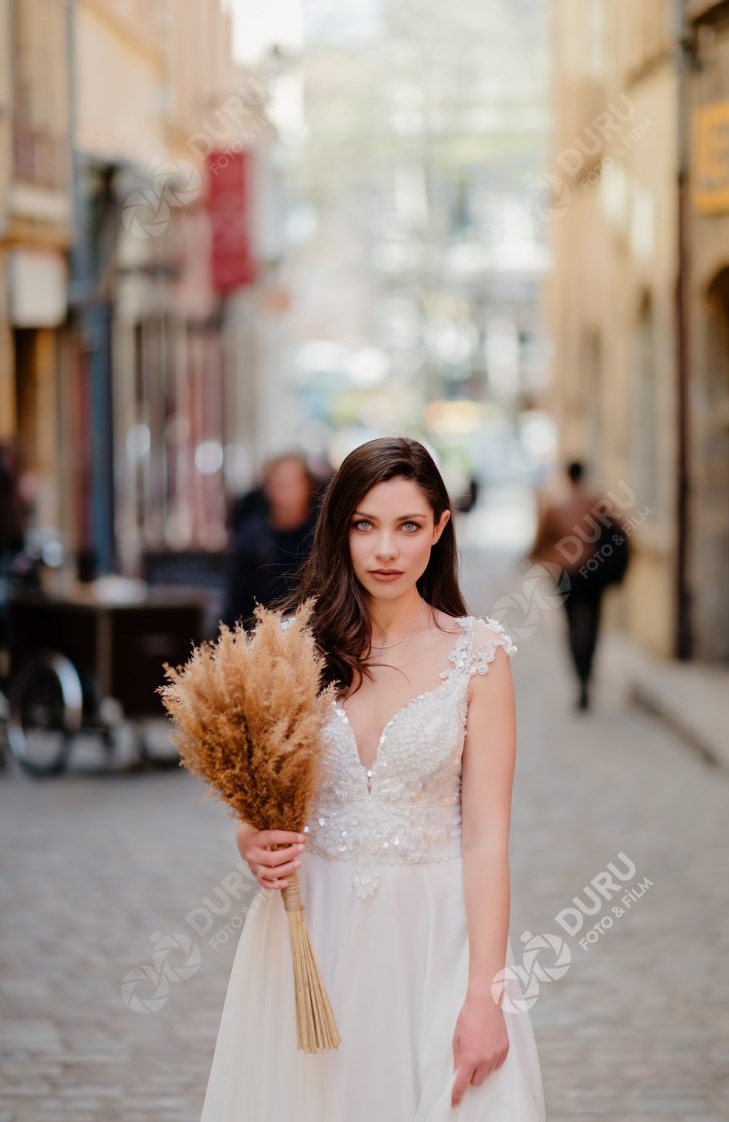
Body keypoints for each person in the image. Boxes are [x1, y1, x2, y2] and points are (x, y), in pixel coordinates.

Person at [200, 436, 546, 1121]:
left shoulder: (479, 658)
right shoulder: (293, 647)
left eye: (408, 526)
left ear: (441, 528)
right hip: (311, 929)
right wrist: (249, 835)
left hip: (432, 937)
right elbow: (263, 788)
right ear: (340, 531)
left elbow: (486, 842)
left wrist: (486, 995)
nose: (386, 549)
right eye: (365, 525)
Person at [526, 459, 611, 711]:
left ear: (567, 476)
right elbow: (619, 533)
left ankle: (580, 679)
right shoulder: (597, 502)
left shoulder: (556, 506)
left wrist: (532, 558)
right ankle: (588, 670)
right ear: (584, 475)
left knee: (572, 625)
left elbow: (541, 539)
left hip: (567, 574)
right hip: (594, 573)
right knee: (594, 623)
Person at [220, 453, 323, 628]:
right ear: (267, 489)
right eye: (278, 484)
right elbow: (237, 601)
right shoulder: (252, 538)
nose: (285, 491)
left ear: (308, 485)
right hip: (263, 634)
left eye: (291, 483)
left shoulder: (323, 533)